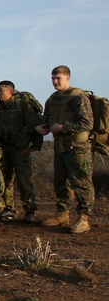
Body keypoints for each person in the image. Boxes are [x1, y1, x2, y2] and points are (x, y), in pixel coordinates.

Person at [37, 65, 94, 234]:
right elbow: (47, 120)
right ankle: (62, 214)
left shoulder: (78, 97)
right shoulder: (52, 99)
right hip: (60, 145)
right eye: (53, 78)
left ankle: (84, 218)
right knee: (61, 181)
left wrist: (63, 127)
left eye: (58, 78)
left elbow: (87, 123)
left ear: (67, 78)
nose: (55, 82)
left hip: (78, 147)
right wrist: (41, 127)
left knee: (81, 182)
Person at [0, 80, 43, 222]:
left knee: (24, 180)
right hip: (3, 149)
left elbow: (36, 125)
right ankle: (8, 209)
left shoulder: (21, 105)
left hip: (20, 149)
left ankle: (30, 210)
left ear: (10, 91)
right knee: (5, 180)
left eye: (1, 90)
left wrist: (35, 146)